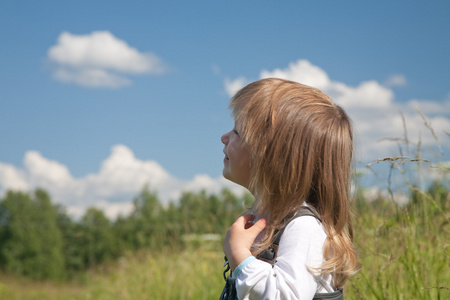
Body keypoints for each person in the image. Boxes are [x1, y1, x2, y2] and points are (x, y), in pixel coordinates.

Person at [220, 78, 361, 299]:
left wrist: (239, 254)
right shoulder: (271, 220)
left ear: (273, 156)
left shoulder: (303, 227)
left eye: (238, 132)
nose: (224, 137)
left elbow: (286, 295)